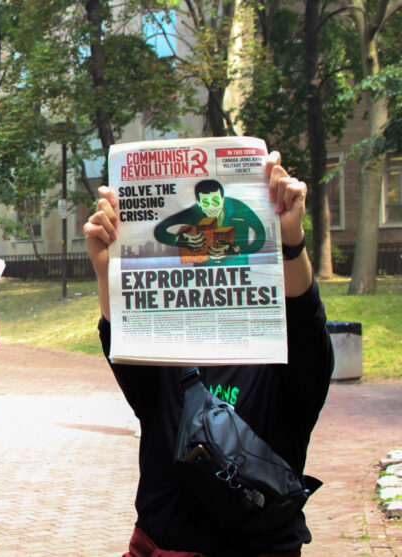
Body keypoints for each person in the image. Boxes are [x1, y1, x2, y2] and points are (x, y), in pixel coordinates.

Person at [84, 153, 332, 557]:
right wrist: (105, 269)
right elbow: (122, 346)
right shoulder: (165, 355)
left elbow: (306, 322)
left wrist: (290, 239)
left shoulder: (282, 364)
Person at [153, 179, 266, 264]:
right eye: (206, 203)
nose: (211, 208)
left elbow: (261, 237)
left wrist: (237, 250)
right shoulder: (193, 212)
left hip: (238, 271)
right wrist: (178, 240)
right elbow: (159, 231)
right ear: (199, 203)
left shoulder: (239, 208)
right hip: (205, 276)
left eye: (215, 201)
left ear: (223, 199)